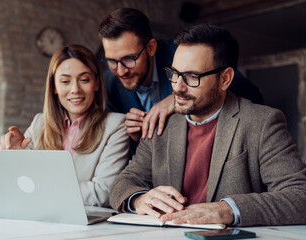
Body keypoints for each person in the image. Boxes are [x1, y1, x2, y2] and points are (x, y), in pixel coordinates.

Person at [109, 25, 306, 227]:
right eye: (174, 73)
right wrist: (139, 199)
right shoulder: (162, 124)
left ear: (225, 79)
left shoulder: (263, 123)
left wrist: (228, 209)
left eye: (192, 77)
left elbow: (301, 196)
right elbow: (122, 184)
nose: (177, 87)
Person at [98, 8, 264, 145]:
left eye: (129, 59)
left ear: (151, 48)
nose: (120, 71)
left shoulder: (183, 54)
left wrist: (176, 97)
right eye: (111, 61)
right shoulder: (109, 83)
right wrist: (130, 136)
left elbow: (249, 92)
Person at [0, 44, 130, 207]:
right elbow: (19, 181)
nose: (75, 89)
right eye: (65, 81)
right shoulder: (39, 123)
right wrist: (14, 155)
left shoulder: (116, 125)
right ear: (54, 86)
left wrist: (41, 188)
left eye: (84, 80)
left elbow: (103, 192)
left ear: (96, 83)